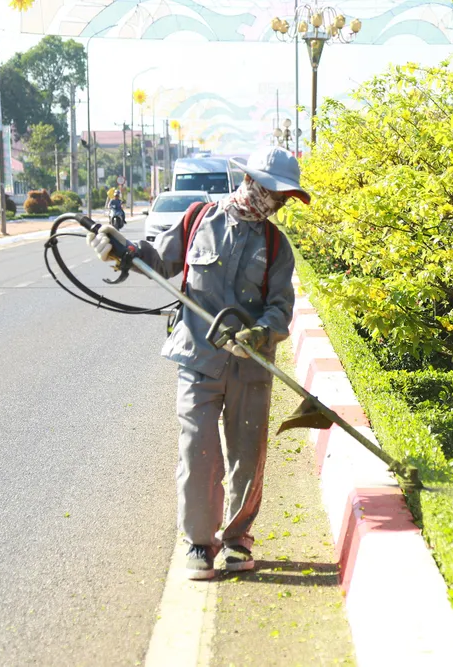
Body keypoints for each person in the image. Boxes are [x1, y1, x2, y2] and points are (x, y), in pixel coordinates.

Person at [87, 147, 308, 579]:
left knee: (247, 454)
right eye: (274, 192)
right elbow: (157, 259)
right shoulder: (198, 220)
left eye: (283, 196)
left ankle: (237, 540)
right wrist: (121, 251)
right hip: (198, 358)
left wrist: (260, 333)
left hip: (250, 366)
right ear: (252, 183)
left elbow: (281, 308)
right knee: (198, 451)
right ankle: (199, 543)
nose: (277, 202)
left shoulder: (276, 246)